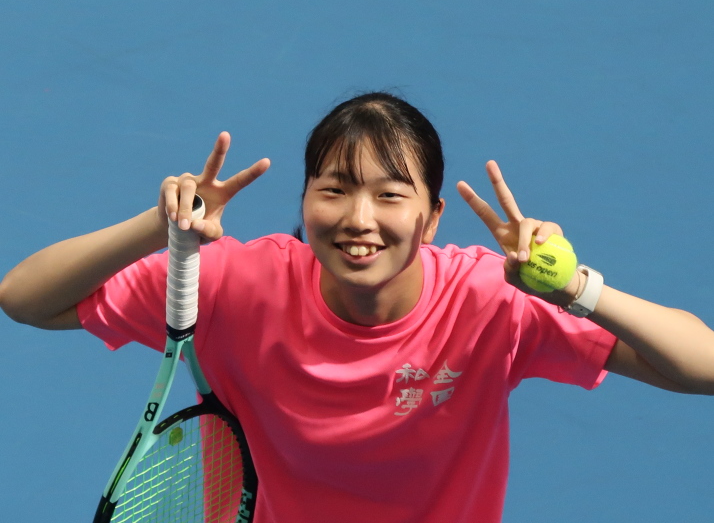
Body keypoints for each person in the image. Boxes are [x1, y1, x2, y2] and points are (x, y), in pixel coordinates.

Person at [1, 91, 713, 522]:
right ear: (305, 201)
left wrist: (578, 291)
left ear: (432, 219)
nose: (359, 219)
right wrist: (157, 228)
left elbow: (701, 367)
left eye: (390, 194)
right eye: (335, 190)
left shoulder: (490, 300)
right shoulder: (232, 285)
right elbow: (25, 298)